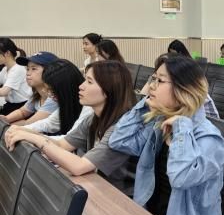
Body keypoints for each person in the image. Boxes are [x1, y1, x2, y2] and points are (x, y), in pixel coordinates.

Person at [69, 56, 224, 215]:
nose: (151, 85)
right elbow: (120, 140)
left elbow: (181, 177)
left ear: (183, 90)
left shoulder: (209, 138)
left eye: (159, 81)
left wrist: (182, 127)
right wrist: (145, 103)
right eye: (153, 78)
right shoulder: (159, 125)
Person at [5, 60, 135, 190]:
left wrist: (35, 138)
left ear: (108, 89)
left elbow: (79, 166)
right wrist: (26, 133)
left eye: (89, 82)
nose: (81, 86)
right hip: (98, 185)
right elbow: (62, 144)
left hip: (120, 196)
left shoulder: (122, 127)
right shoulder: (93, 118)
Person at [24, 59, 93, 136]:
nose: (81, 86)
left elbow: (69, 140)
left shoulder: (89, 108)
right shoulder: (68, 103)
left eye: (89, 82)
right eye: (27, 69)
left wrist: (30, 135)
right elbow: (48, 123)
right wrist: (20, 129)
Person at [0, 52, 59, 126]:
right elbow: (22, 112)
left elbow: (29, 124)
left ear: (50, 71)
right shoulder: (37, 95)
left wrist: (5, 125)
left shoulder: (54, 98)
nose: (28, 73)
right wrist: (5, 119)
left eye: (34, 69)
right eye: (27, 69)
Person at [0, 38, 31, 115]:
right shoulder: (5, 69)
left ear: (7, 53)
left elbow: (4, 91)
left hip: (23, 106)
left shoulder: (17, 69)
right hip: (11, 105)